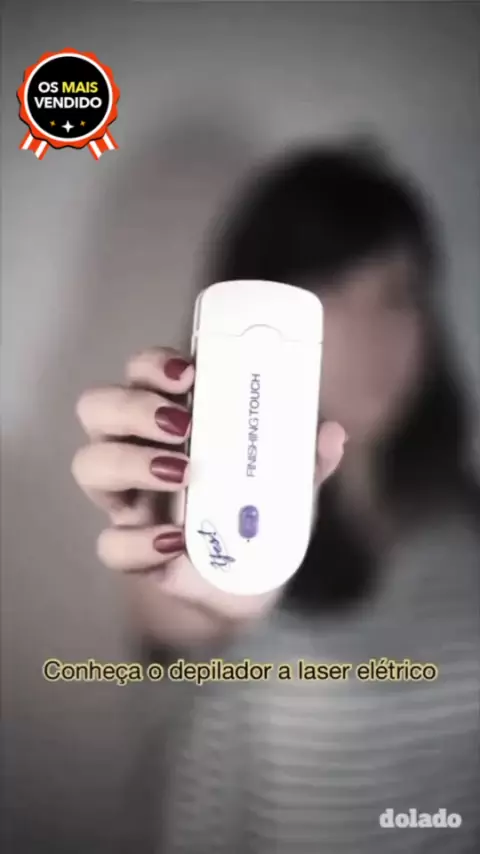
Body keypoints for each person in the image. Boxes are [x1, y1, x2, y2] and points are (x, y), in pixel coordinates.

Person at [72, 140, 480, 853]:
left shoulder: (459, 524)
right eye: (330, 292)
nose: (372, 331)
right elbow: (184, 615)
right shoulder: (211, 521)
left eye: (397, 294)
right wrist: (198, 584)